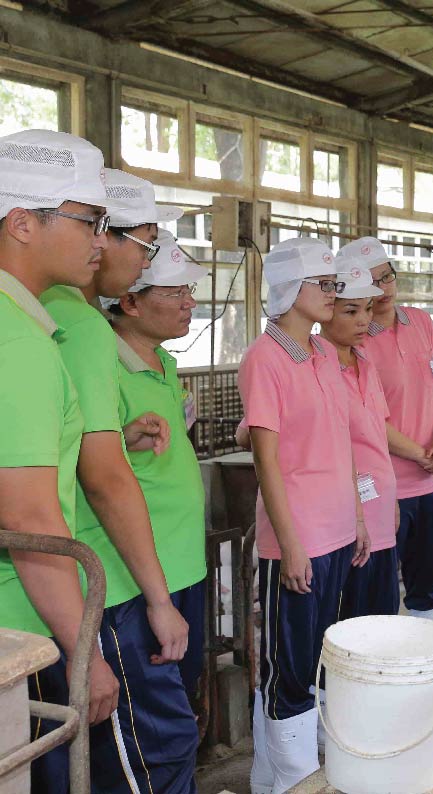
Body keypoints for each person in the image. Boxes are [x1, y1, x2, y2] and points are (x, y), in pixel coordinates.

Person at [39, 167, 196, 794]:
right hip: (108, 580)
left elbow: (76, 445)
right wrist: (157, 599)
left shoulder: (60, 317)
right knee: (149, 749)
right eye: (141, 241)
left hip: (110, 578)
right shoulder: (74, 323)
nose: (107, 246)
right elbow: (102, 477)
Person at [0, 129, 123, 794]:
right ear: (22, 222)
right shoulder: (17, 341)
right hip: (13, 637)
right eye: (89, 221)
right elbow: (29, 519)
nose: (100, 241)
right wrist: (87, 654)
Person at [240, 237, 369, 794]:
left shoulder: (321, 355)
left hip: (338, 531)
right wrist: (288, 544)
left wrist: (359, 518)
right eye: (326, 285)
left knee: (317, 656)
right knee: (288, 670)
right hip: (298, 539)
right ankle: (296, 777)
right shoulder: (263, 358)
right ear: (292, 291)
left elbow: (341, 441)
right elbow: (265, 460)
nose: (334, 295)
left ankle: (274, 778)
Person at [102, 231, 211, 703]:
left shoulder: (164, 360)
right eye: (174, 292)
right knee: (150, 714)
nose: (189, 303)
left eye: (189, 291)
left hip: (186, 565)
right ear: (130, 301)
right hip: (141, 580)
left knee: (184, 694)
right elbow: (90, 468)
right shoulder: (105, 366)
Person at [346, 238, 433, 626]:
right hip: (385, 485)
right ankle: (384, 674)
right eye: (373, 282)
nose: (385, 288)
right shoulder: (355, 340)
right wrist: (419, 453)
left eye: (388, 276)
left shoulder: (421, 323)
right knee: (376, 587)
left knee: (432, 578)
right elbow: (366, 415)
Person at [328, 253, 400, 621]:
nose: (364, 321)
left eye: (368, 309)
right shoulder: (315, 368)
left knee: (383, 615)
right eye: (351, 311)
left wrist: (393, 499)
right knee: (351, 623)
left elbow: (376, 436)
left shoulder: (366, 364)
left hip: (381, 511)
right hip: (345, 519)